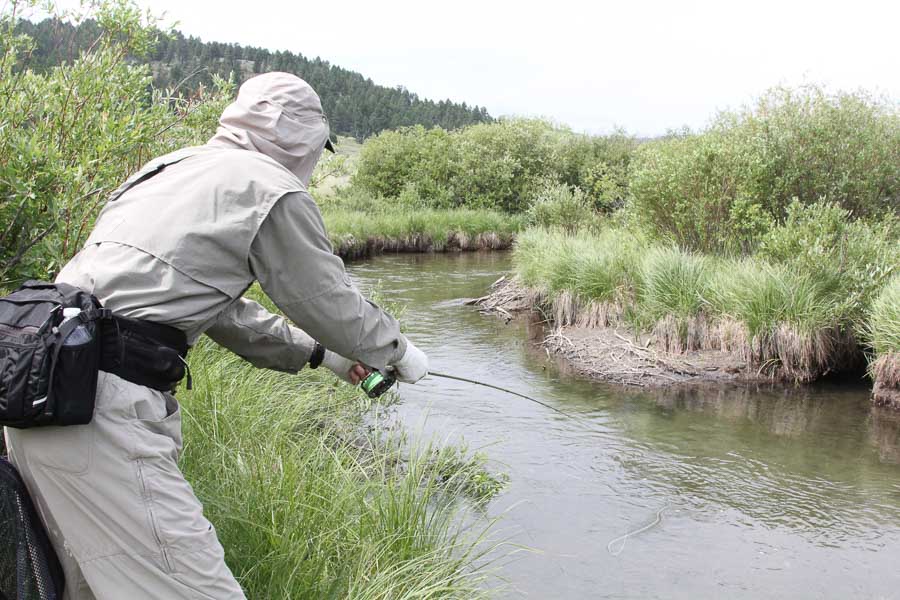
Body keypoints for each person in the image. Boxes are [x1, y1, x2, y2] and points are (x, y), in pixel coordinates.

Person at [4, 72, 428, 600]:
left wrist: (326, 358)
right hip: (100, 409)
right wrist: (397, 351)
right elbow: (326, 300)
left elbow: (224, 314)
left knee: (85, 588)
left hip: (41, 393)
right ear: (302, 138)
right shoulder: (269, 187)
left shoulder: (170, 168)